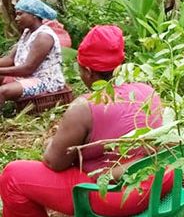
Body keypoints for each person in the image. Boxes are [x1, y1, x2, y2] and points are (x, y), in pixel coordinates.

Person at [0, 25, 169, 217]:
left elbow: (54, 162)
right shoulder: (148, 90)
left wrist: (49, 144)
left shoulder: (84, 107)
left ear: (88, 71)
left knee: (13, 175)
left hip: (115, 196)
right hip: (156, 183)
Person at [0, 0, 65, 106]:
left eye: (20, 14)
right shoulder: (27, 32)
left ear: (34, 15)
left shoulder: (43, 36)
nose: (16, 18)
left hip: (45, 81)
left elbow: (27, 69)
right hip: (29, 77)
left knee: (2, 92)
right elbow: (10, 59)